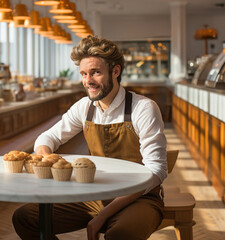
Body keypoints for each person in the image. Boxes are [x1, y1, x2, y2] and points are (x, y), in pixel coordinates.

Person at [13, 35, 168, 240]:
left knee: (121, 235)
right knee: (25, 218)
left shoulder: (143, 108)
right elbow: (47, 138)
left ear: (115, 71)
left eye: (95, 73)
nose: (88, 81)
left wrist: (103, 215)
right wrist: (46, 157)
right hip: (94, 195)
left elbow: (156, 171)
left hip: (139, 198)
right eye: (84, 74)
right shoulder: (84, 107)